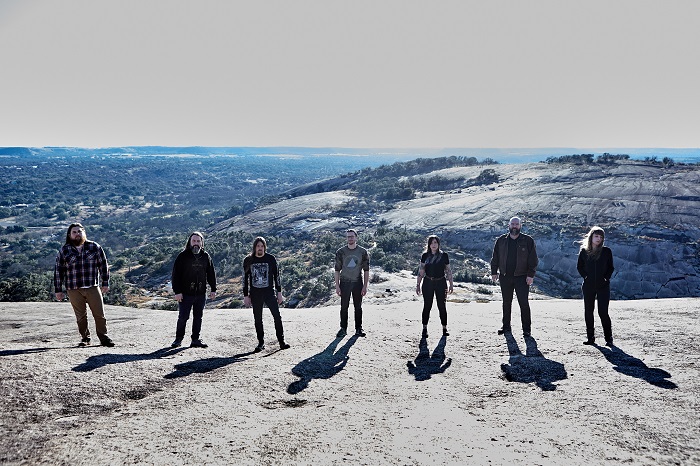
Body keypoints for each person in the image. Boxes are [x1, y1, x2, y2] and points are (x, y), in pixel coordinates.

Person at [53, 223, 114, 347]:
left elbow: (103, 265)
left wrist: (105, 283)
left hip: (92, 286)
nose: (77, 234)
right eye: (74, 232)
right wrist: (58, 290)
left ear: (84, 233)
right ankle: (85, 338)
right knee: (80, 316)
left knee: (99, 314)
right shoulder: (64, 250)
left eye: (79, 231)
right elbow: (59, 271)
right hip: (73, 288)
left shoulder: (94, 247)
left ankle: (104, 337)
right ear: (69, 235)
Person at [490, 217, 539, 336]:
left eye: (517, 224)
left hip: (522, 277)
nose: (514, 226)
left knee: (523, 303)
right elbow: (495, 257)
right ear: (509, 225)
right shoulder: (501, 240)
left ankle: (526, 330)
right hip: (505, 276)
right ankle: (506, 327)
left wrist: (530, 275)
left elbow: (533, 259)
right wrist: (494, 271)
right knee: (506, 302)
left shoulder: (528, 240)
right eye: (513, 224)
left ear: (520, 226)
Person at [171, 231, 217, 348]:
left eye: (198, 241)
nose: (196, 243)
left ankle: (195, 340)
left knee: (198, 317)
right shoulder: (182, 256)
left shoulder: (205, 256)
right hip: (185, 293)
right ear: (190, 242)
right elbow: (175, 275)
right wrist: (177, 292)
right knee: (183, 317)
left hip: (201, 293)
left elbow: (211, 273)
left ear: (202, 243)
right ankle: (178, 339)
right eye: (194, 241)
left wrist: (213, 289)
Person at [243, 237, 289, 352]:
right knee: (258, 319)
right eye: (258, 246)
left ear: (265, 247)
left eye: (262, 246)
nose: (260, 248)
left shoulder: (270, 259)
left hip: (269, 292)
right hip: (255, 293)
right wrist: (246, 295)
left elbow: (276, 276)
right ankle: (261, 342)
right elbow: (245, 279)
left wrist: (279, 293)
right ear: (254, 247)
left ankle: (281, 341)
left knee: (277, 316)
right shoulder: (248, 260)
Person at [577, 226, 615, 346]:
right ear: (591, 237)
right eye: (596, 236)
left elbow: (611, 267)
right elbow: (579, 267)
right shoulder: (584, 251)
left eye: (601, 237)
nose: (599, 239)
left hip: (603, 286)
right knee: (589, 311)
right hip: (588, 286)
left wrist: (605, 278)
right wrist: (585, 277)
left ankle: (608, 338)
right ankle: (590, 338)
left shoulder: (606, 251)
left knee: (603, 312)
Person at [415, 235, 454, 337]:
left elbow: (448, 270)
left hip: (441, 282)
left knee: (442, 305)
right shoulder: (425, 256)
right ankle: (424, 329)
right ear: (429, 244)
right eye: (431, 243)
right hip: (428, 282)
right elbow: (421, 271)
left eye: (435, 242)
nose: (433, 245)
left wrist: (451, 284)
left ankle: (444, 328)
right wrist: (418, 284)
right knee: (427, 305)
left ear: (438, 244)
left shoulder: (444, 255)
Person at [334, 228, 370, 337]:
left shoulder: (363, 252)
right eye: (348, 237)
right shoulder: (340, 252)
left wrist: (365, 286)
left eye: (352, 236)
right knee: (344, 307)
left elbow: (366, 270)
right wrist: (337, 286)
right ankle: (343, 329)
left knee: (358, 307)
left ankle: (359, 328)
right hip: (344, 283)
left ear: (356, 237)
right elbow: (337, 270)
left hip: (357, 282)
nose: (350, 238)